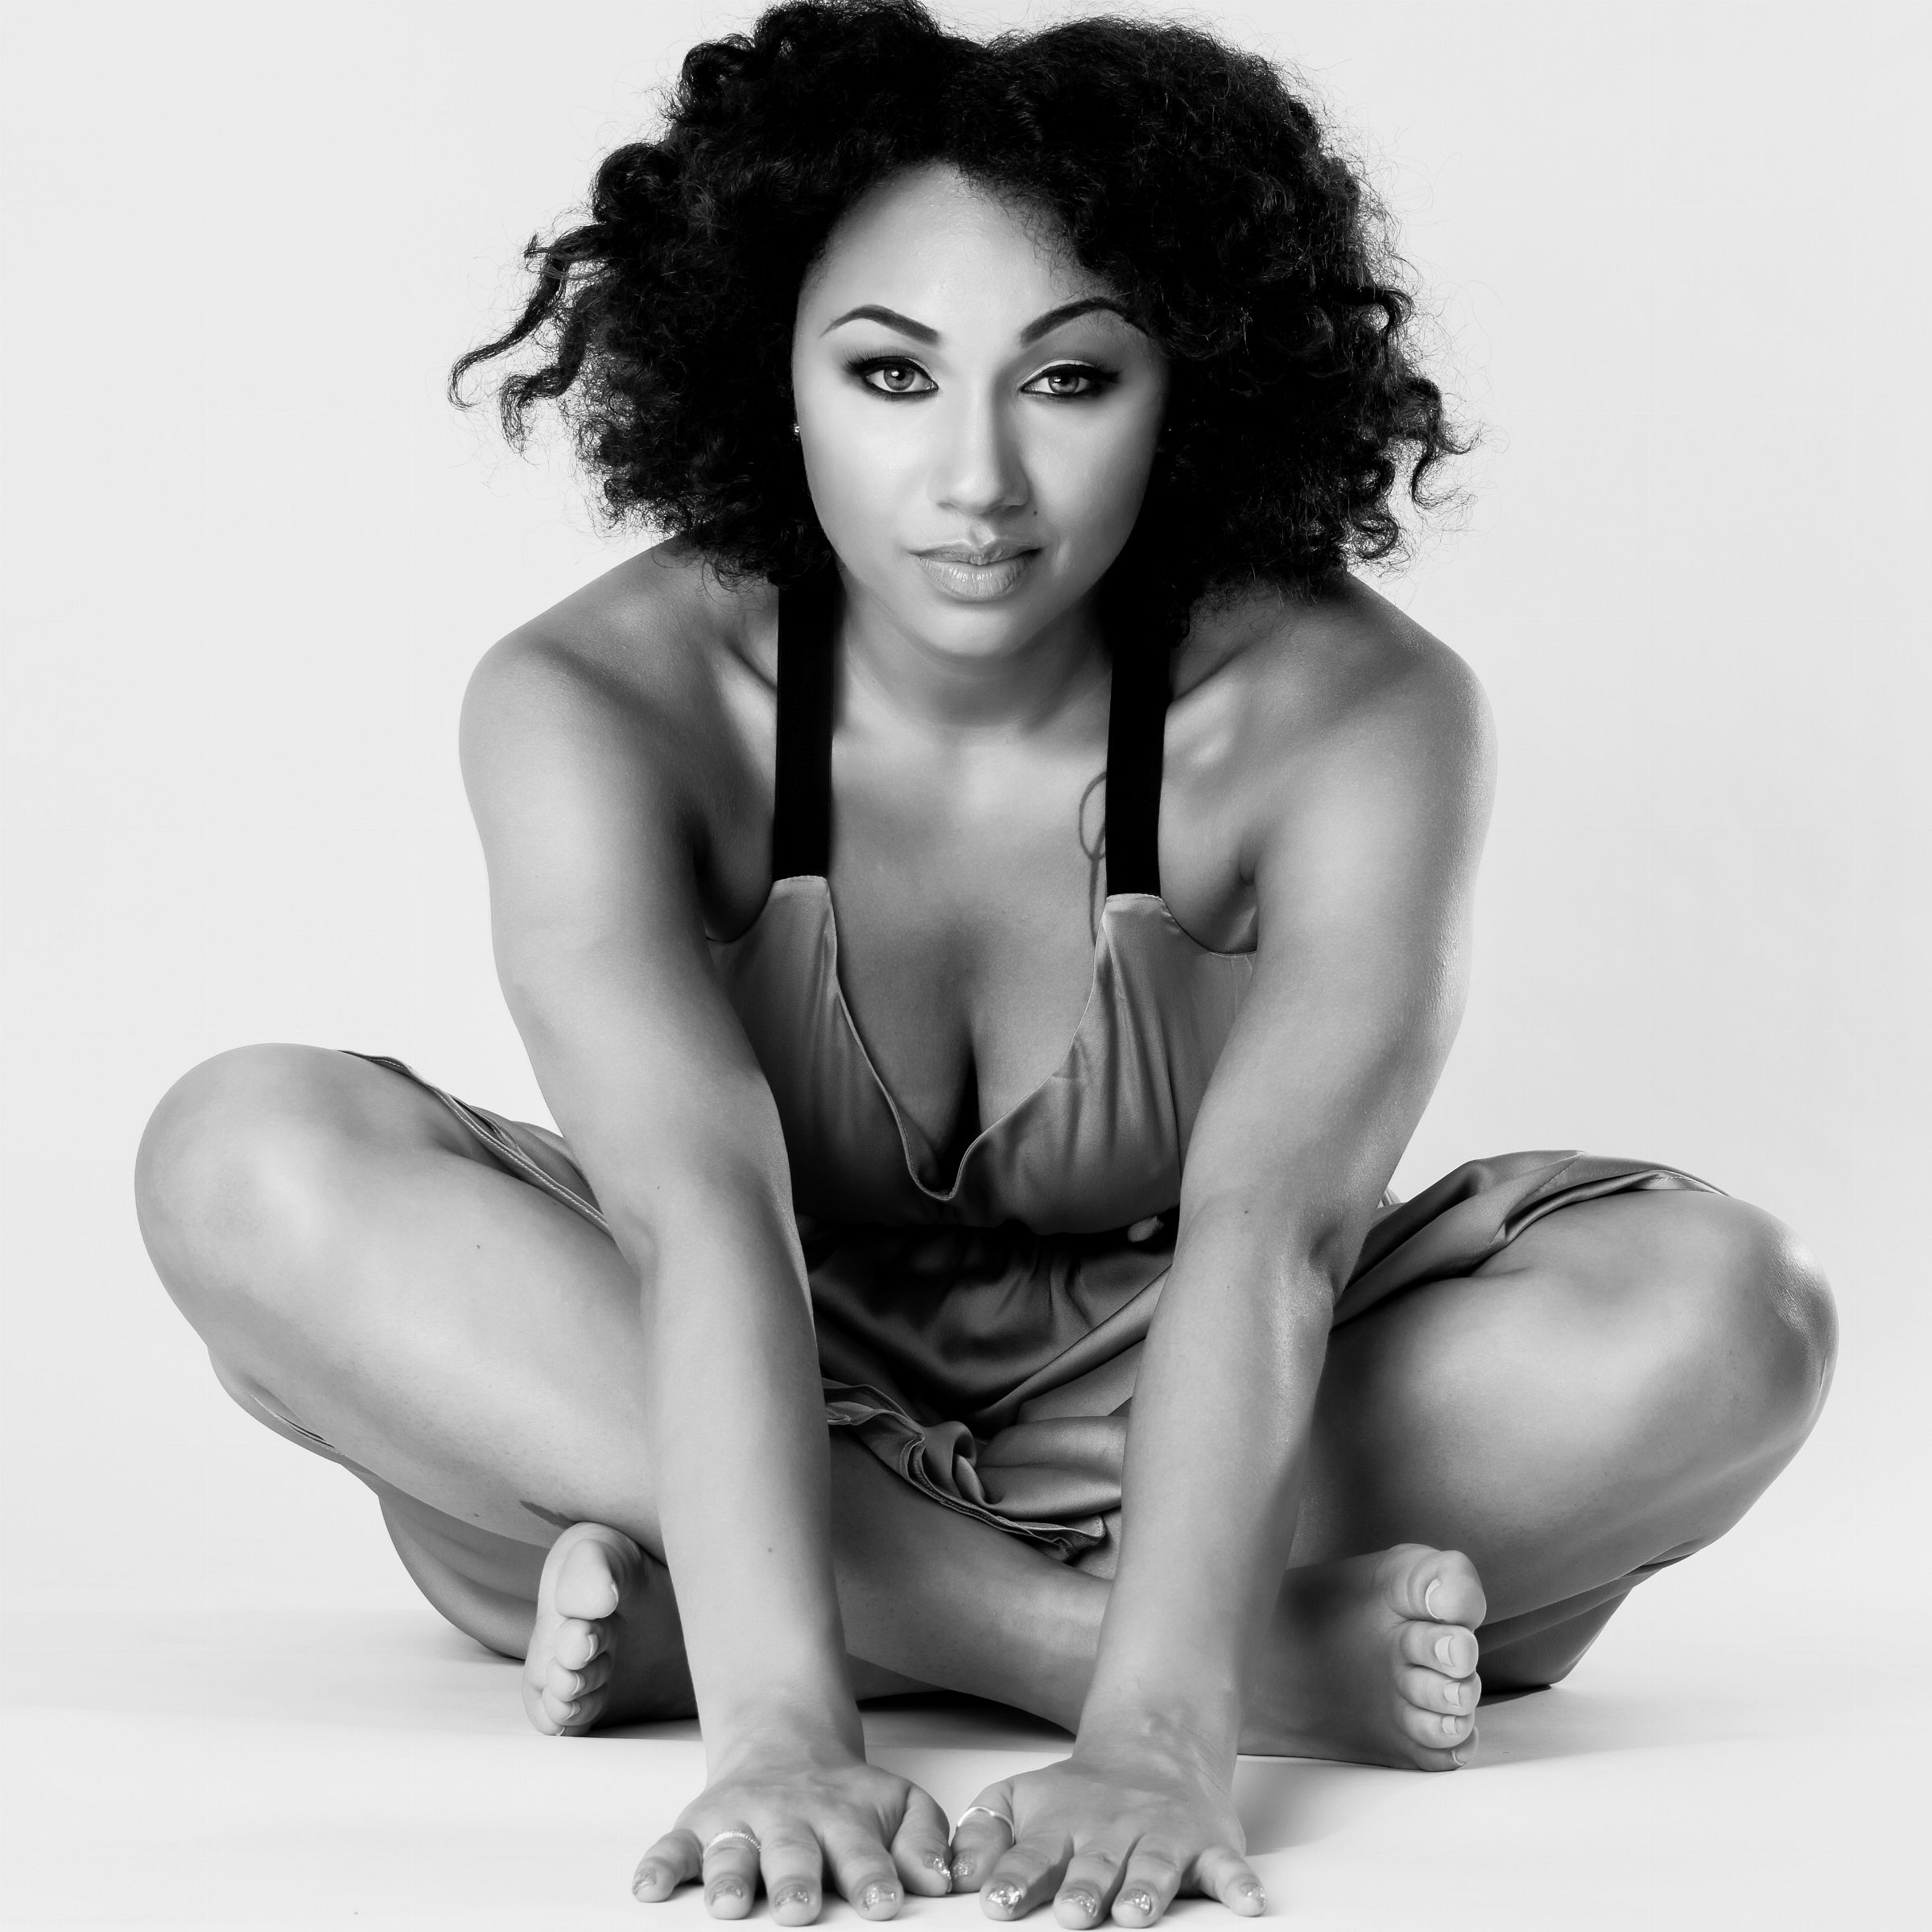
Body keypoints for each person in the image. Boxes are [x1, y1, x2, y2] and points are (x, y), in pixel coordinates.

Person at [132, 2, 1837, 1923]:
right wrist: (796, 1732)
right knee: (242, 1155)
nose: (977, 484)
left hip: (1189, 1395)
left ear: (1188, 386)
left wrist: (1159, 1751)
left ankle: (799, 1607)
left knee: (1731, 1314)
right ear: (768, 371)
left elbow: (1276, 1235)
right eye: (890, 373)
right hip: (708, 1368)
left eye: (1070, 380)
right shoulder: (596, 698)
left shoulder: (1354, 709)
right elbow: (696, 1217)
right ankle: (1094, 1639)